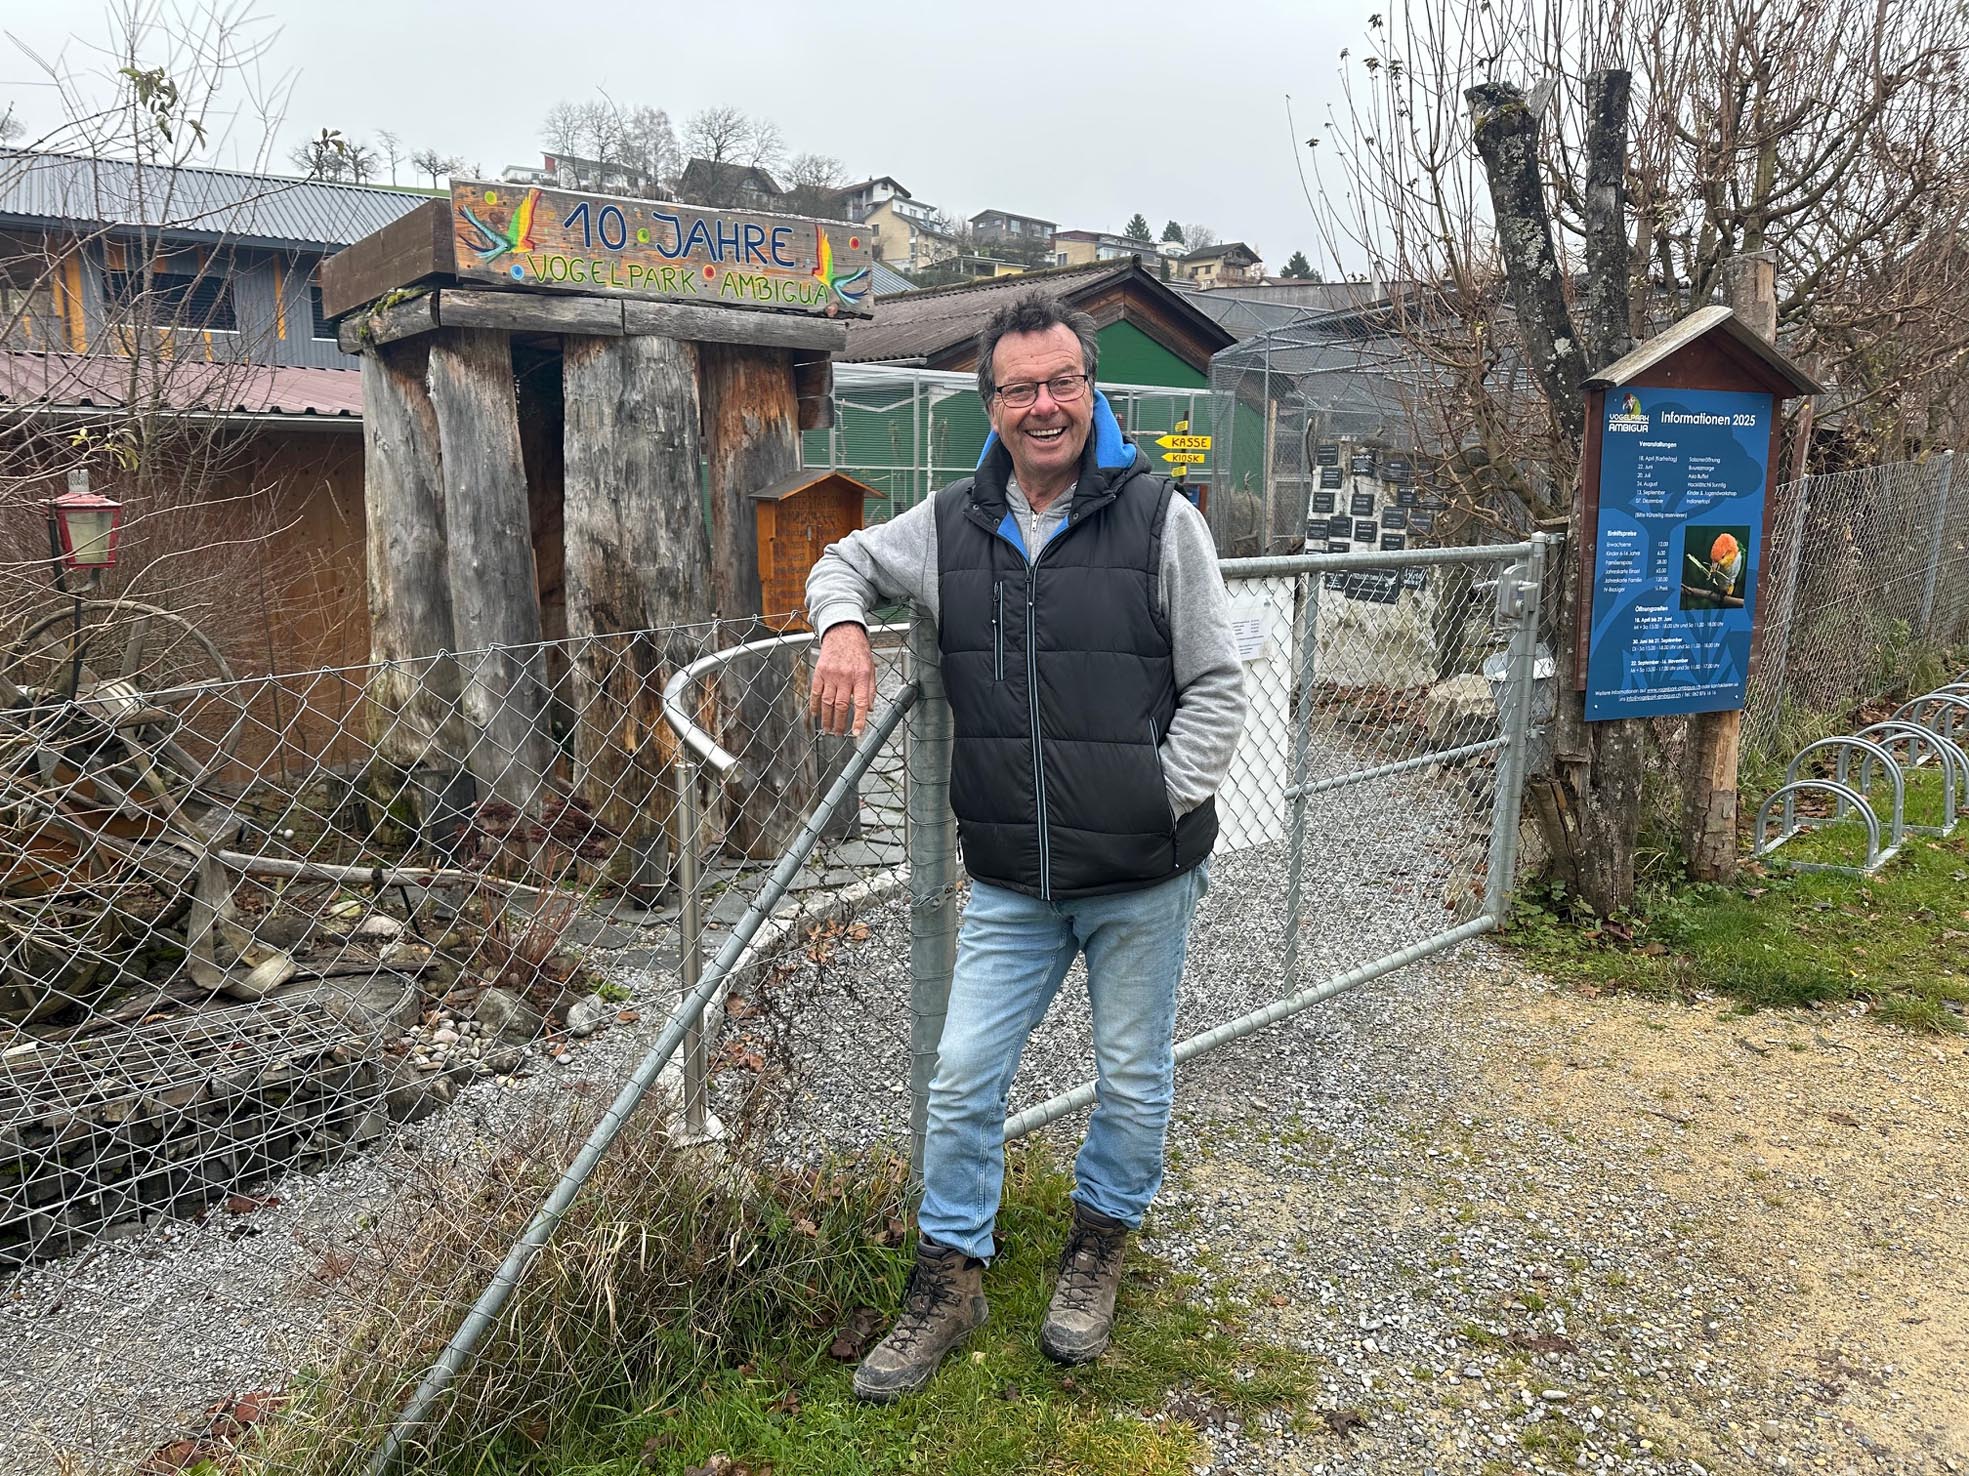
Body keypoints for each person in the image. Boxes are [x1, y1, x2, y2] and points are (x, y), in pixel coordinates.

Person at [805, 292, 1247, 1401]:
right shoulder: (950, 523)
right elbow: (839, 560)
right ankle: (950, 1278)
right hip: (1012, 881)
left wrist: (1158, 796)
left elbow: (1218, 685)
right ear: (988, 403)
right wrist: (845, 626)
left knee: (1132, 1079)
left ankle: (1096, 1251)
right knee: (960, 1080)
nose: (1042, 405)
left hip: (1143, 873)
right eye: (1018, 389)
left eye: (1061, 384)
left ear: (1089, 392)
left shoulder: (1160, 520)